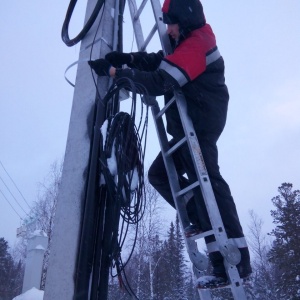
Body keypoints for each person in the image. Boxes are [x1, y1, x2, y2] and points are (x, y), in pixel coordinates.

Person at [88, 0, 252, 288]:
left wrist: (115, 74)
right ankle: (199, 223)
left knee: (209, 182)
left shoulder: (198, 44)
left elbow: (161, 80)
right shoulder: (184, 42)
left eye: (171, 23)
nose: (168, 30)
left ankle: (238, 259)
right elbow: (157, 61)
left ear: (184, 21)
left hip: (201, 123)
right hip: (187, 127)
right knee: (160, 175)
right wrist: (126, 58)